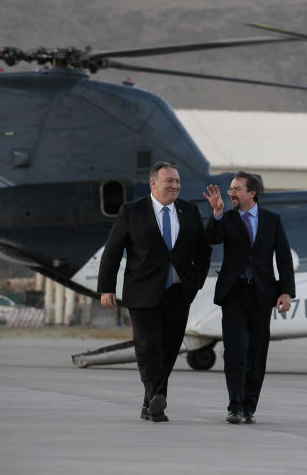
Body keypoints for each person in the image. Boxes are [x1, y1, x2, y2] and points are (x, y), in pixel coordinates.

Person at [98, 161, 212, 423]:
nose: (175, 186)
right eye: (169, 181)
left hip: (179, 292)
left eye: (177, 182)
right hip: (142, 292)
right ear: (153, 183)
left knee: (170, 349)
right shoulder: (132, 212)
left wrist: (195, 282)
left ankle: (150, 402)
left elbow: (203, 251)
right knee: (148, 347)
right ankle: (157, 397)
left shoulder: (189, 211)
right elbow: (113, 251)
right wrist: (106, 288)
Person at [203, 171, 295, 424]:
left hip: (262, 294)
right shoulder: (227, 218)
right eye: (230, 189)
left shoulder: (271, 220)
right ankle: (234, 406)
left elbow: (284, 258)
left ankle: (249, 407)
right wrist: (217, 213)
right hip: (234, 293)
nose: (231, 193)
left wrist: (286, 292)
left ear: (251, 192)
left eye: (236, 189)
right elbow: (211, 239)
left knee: (256, 353)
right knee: (235, 351)